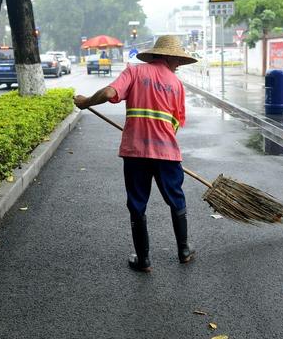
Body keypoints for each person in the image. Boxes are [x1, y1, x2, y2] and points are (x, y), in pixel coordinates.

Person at [74, 35, 197, 273]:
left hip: (135, 152)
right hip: (167, 153)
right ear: (169, 57)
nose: (179, 65)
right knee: (176, 199)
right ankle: (184, 251)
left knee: (137, 204)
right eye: (178, 60)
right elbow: (176, 122)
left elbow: (111, 93)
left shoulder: (134, 72)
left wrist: (86, 102)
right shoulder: (176, 84)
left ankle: (143, 260)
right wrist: (160, 135)